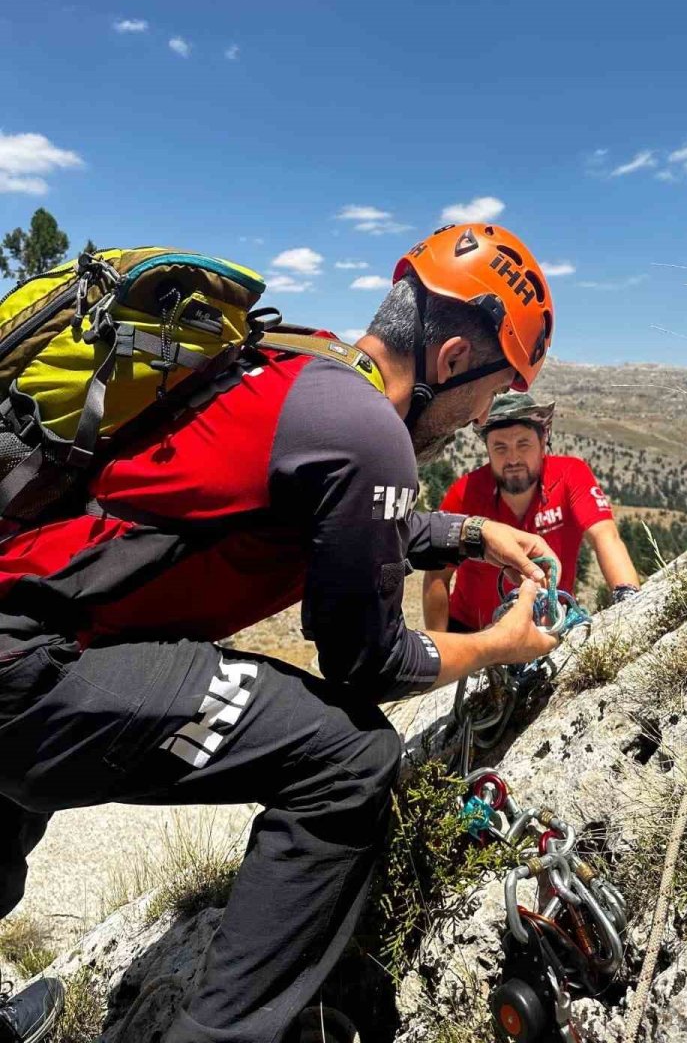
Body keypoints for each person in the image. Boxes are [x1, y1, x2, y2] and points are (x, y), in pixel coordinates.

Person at [0, 223, 562, 1043]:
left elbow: (325, 519)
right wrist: (499, 646)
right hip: (31, 669)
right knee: (350, 757)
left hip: (23, 620)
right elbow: (367, 661)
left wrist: (473, 536)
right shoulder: (371, 435)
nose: (484, 414)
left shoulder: (305, 365)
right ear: (450, 362)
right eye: (493, 388)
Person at [423, 392, 640, 634]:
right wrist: (440, 647)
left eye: (523, 444)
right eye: (500, 447)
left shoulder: (571, 474)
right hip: (473, 630)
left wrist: (628, 598)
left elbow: (605, 537)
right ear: (487, 449)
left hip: (548, 625)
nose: (513, 458)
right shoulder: (465, 493)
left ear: (542, 441)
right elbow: (436, 576)